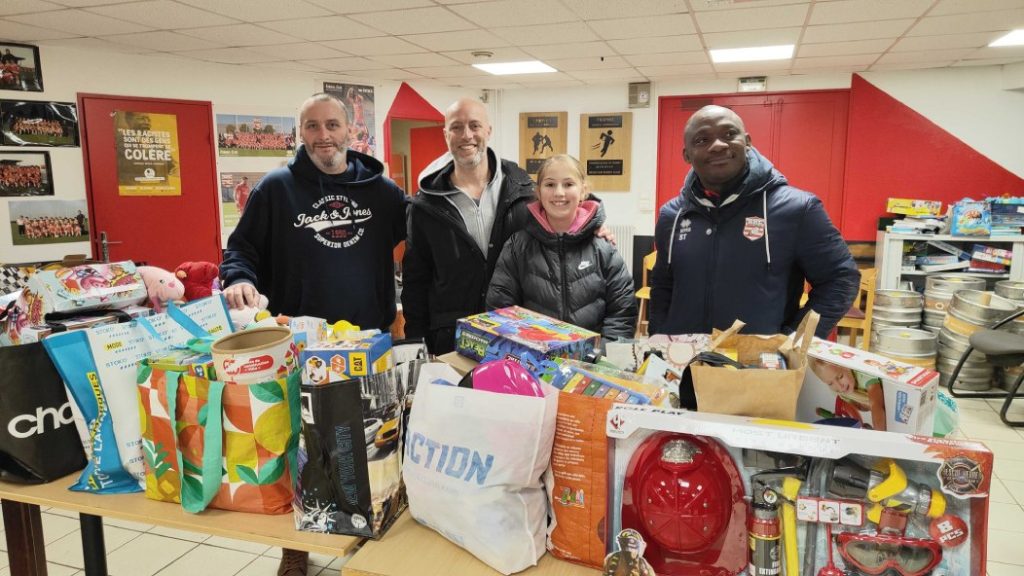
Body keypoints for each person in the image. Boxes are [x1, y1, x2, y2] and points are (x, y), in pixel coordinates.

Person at [219, 92, 406, 576]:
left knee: (370, 449)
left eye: (332, 125)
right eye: (312, 127)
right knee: (301, 449)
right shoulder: (277, 189)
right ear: (300, 134)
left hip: (368, 343)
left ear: (350, 132)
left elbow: (432, 229)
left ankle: (370, 542)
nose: (324, 136)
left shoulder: (381, 192)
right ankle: (294, 549)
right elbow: (241, 251)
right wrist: (239, 278)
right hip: (302, 344)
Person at [649, 105, 858, 340]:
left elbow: (840, 279)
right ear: (686, 154)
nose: (718, 145)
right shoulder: (672, 215)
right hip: (682, 362)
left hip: (758, 367)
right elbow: (663, 286)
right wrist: (657, 342)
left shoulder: (797, 208)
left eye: (729, 134)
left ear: (747, 142)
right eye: (702, 139)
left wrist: (793, 341)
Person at [401, 98, 537, 355]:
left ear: (488, 131)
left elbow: (561, 223)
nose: (466, 135)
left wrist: (593, 227)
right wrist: (416, 345)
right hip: (450, 340)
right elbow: (415, 282)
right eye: (456, 127)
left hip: (515, 336)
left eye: (475, 126)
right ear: (445, 134)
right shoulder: (425, 205)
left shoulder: (524, 191)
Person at [487, 154, 636, 341]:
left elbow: (622, 314)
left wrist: (599, 357)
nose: (559, 193)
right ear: (539, 192)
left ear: (583, 191)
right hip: (534, 362)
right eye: (550, 184)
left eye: (568, 184)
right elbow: (500, 309)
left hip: (590, 363)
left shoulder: (603, 247)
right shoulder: (518, 247)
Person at [808, 357, 886, 430]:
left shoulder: (862, 374)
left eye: (840, 377)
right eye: (830, 383)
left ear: (847, 366)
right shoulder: (839, 391)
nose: (839, 387)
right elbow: (860, 408)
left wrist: (879, 435)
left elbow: (876, 405)